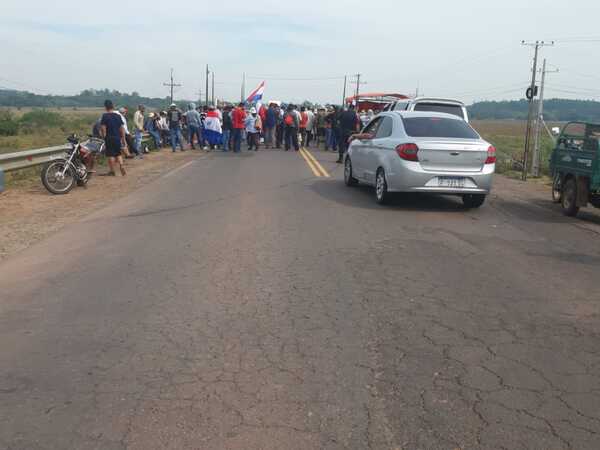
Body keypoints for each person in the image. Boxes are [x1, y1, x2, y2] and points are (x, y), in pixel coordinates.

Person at [99, 99, 126, 176]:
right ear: (112, 106)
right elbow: (122, 128)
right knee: (118, 153)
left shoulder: (105, 116)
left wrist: (104, 137)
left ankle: (112, 171)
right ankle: (121, 165)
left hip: (109, 137)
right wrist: (123, 139)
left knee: (111, 154)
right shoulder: (118, 116)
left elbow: (103, 128)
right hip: (117, 137)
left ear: (105, 107)